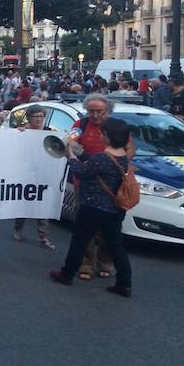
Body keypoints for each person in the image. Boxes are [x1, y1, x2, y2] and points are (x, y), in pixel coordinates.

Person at [50, 117, 134, 298]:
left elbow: (80, 172)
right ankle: (124, 283)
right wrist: (81, 154)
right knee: (116, 245)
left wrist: (71, 157)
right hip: (116, 209)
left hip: (94, 206)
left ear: (107, 137)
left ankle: (66, 274)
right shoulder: (123, 158)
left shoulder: (102, 158)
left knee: (79, 241)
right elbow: (95, 162)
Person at [70, 94, 123, 280]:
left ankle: (105, 261)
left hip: (111, 184)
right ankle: (86, 263)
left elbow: (129, 150)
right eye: (91, 111)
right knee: (84, 225)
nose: (94, 115)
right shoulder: (81, 125)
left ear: (108, 110)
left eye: (99, 111)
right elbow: (71, 143)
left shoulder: (116, 127)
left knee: (109, 227)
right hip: (84, 183)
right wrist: (83, 156)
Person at [13, 104, 56, 249]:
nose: (38, 119)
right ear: (29, 118)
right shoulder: (23, 132)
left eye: (41, 116)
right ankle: (18, 229)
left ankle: (43, 237)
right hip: (26, 172)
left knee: (42, 206)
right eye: (35, 116)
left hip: (44, 173)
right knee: (24, 202)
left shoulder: (49, 132)